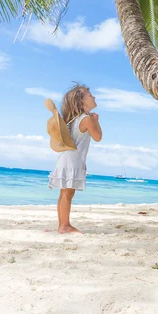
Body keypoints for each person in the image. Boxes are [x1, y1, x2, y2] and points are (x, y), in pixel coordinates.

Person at [48, 84, 102, 233]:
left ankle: (62, 225)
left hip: (65, 157)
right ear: (81, 102)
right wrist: (96, 120)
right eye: (90, 95)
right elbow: (98, 137)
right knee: (68, 193)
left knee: (64, 193)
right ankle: (64, 226)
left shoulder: (73, 120)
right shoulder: (86, 119)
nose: (94, 96)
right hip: (73, 159)